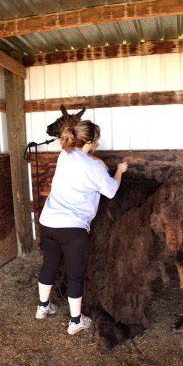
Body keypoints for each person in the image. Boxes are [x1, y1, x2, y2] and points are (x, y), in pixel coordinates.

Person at [36, 119, 128, 335]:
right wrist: (120, 171)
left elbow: (83, 157)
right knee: (76, 275)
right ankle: (75, 321)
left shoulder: (65, 154)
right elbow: (112, 190)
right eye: (97, 140)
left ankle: (42, 307)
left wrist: (97, 161)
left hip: (48, 222)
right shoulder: (94, 167)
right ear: (91, 142)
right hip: (72, 229)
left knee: (49, 264)